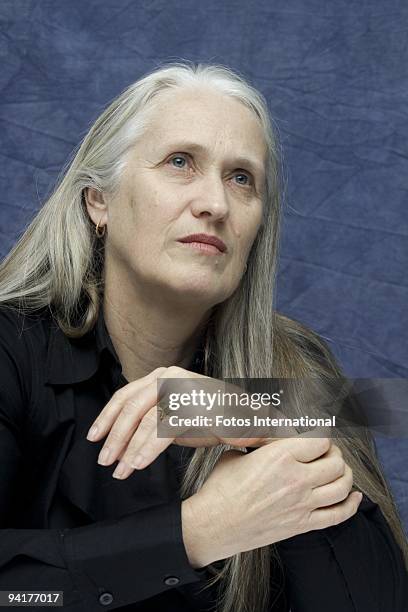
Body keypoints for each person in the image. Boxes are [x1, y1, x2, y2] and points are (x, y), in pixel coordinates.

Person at [0, 61, 406, 612]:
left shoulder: (298, 366)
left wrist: (259, 418)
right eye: (179, 162)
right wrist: (194, 533)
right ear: (99, 201)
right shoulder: (10, 349)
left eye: (242, 178)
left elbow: (375, 600)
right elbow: (17, 592)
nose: (215, 204)